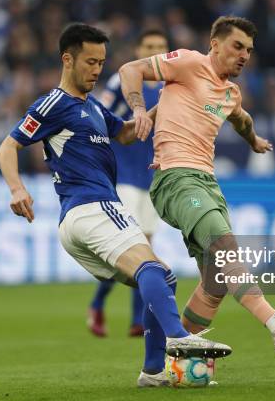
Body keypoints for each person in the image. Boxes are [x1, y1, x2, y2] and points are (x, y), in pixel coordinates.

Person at [0, 23, 231, 388]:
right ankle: (179, 339)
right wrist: (16, 189)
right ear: (67, 59)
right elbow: (8, 145)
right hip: (90, 206)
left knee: (161, 277)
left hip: (88, 215)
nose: (96, 70)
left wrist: (161, 104)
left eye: (102, 63)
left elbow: (123, 133)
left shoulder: (91, 107)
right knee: (152, 269)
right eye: (90, 62)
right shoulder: (54, 103)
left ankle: (152, 372)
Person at [118, 16, 275, 353]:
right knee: (227, 249)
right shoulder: (190, 63)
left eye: (249, 50)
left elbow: (242, 119)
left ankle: (171, 355)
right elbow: (129, 70)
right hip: (176, 180)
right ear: (215, 45)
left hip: (207, 184)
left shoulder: (230, 93)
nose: (244, 55)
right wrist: (139, 109)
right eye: (237, 46)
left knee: (216, 280)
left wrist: (253, 140)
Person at [87, 29, 169, 338]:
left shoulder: (169, 86)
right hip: (122, 177)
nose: (155, 51)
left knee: (145, 250)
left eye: (160, 46)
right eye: (149, 46)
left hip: (152, 179)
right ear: (138, 49)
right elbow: (98, 111)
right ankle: (129, 317)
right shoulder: (123, 81)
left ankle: (120, 313)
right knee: (132, 247)